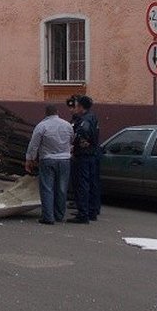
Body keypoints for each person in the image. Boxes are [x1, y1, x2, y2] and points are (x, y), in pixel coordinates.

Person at [25, 105, 74, 225]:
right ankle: (59, 215)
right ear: (57, 112)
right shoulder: (67, 125)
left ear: (45, 113)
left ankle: (48, 217)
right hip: (64, 160)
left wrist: (29, 159)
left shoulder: (42, 126)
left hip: (47, 159)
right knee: (62, 188)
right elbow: (72, 139)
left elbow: (34, 145)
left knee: (47, 188)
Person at [69, 95, 100, 224]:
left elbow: (81, 136)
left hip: (83, 155)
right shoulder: (93, 117)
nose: (75, 108)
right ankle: (91, 211)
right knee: (92, 183)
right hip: (92, 155)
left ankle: (83, 214)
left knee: (82, 184)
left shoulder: (84, 121)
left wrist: (74, 145)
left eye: (76, 106)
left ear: (81, 107)